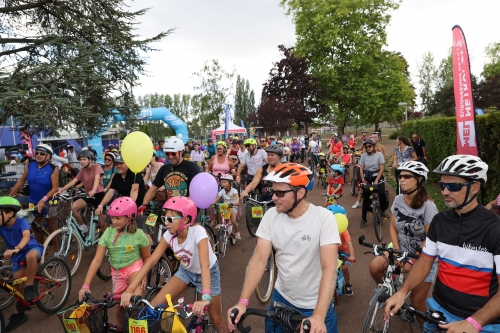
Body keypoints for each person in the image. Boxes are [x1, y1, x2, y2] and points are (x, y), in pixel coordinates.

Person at [384, 155, 500, 333]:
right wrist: (402, 291)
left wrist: (474, 322)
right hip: (438, 311)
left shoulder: (494, 228)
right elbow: (424, 262)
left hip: (480, 321)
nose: (445, 191)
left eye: (453, 186)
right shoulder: (440, 221)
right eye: (442, 185)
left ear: (475, 187)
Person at [227, 163, 340, 333]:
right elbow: (258, 260)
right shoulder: (271, 216)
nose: (273, 197)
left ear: (300, 193)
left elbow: (329, 269)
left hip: (315, 305)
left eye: (280, 193)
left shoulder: (324, 219)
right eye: (273, 192)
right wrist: (242, 302)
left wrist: (318, 315)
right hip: (281, 301)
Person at [121, 197, 228, 333]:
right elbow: (152, 260)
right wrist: (130, 288)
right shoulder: (169, 235)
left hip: (208, 274)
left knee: (217, 322)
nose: (166, 223)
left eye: (170, 219)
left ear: (186, 219)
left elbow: (204, 265)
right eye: (165, 218)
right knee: (154, 308)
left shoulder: (198, 232)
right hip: (186, 272)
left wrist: (205, 296)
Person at [369, 161, 438, 321]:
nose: (402, 179)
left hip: (422, 254)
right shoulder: (399, 199)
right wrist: (398, 252)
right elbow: (393, 227)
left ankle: (424, 328)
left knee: (416, 305)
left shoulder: (429, 206)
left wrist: (413, 258)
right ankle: (389, 294)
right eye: (400, 176)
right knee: (375, 266)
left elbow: (430, 238)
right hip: (401, 248)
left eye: (407, 176)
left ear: (419, 179)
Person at [79, 197, 151, 321]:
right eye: (112, 217)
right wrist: (85, 285)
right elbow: (97, 260)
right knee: (119, 310)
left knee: (135, 305)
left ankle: (142, 325)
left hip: (134, 268)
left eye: (118, 218)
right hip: (117, 272)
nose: (114, 221)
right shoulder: (108, 233)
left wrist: (143, 274)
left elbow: (147, 257)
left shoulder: (139, 234)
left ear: (129, 217)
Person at [0, 197, 44, 331]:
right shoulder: (1, 226)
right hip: (17, 257)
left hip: (31, 249)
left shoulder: (21, 222)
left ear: (10, 213)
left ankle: (30, 287)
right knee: (16, 287)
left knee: (31, 256)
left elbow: (25, 236)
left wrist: (17, 248)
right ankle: (18, 314)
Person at [9, 144, 59, 245]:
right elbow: (21, 181)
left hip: (50, 201)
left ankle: (57, 252)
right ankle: (40, 250)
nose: (38, 155)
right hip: (33, 201)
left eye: (42, 153)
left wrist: (43, 199)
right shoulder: (31, 164)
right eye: (37, 153)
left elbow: (55, 188)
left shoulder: (53, 168)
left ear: (48, 156)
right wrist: (9, 196)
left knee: (52, 227)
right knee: (36, 227)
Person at [140, 137, 200, 206]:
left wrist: (184, 207)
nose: (170, 157)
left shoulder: (191, 167)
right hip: (170, 208)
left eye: (173, 154)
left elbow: (196, 192)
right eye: (167, 154)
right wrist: (144, 204)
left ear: (181, 152)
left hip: (187, 208)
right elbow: (153, 189)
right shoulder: (164, 168)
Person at [57, 150, 107, 232]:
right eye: (80, 159)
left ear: (90, 160)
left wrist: (93, 190)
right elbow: (73, 181)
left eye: (84, 159)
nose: (82, 161)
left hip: (99, 195)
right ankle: (83, 226)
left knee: (103, 224)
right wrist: (61, 190)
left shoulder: (96, 166)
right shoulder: (82, 170)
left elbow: (97, 178)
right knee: (72, 207)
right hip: (88, 195)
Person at [359, 138, 387, 228]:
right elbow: (361, 168)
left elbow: (382, 168)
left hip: (377, 176)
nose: (368, 148)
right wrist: (363, 179)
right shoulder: (363, 156)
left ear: (373, 146)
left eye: (370, 146)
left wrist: (377, 180)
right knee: (366, 198)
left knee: (382, 193)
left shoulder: (379, 155)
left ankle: (383, 211)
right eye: (366, 147)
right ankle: (363, 219)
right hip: (367, 177)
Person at [212, 174, 240, 240]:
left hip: (232, 206)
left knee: (233, 221)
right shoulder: (222, 191)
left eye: (225, 182)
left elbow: (237, 197)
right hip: (225, 206)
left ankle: (237, 232)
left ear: (230, 183)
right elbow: (217, 199)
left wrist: (236, 202)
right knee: (219, 212)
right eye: (222, 182)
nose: (223, 184)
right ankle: (220, 223)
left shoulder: (234, 190)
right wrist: (212, 203)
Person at [336, 228, 355, 297]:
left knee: (344, 267)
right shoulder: (327, 228)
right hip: (332, 249)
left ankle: (348, 283)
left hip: (344, 250)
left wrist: (352, 256)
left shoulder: (343, 229)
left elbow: (349, 244)